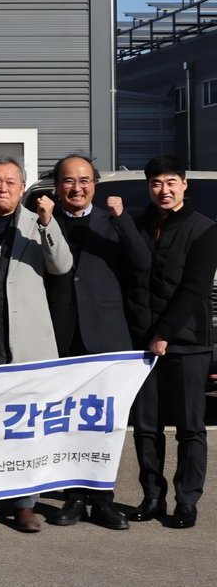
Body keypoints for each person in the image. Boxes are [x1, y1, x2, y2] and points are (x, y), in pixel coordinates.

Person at [0, 156, 72, 533]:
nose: (2, 188)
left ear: (22, 188)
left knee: (26, 430)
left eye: (10, 182)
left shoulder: (38, 223)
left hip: (27, 345)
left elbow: (62, 265)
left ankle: (25, 504)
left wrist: (47, 223)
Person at [44, 154, 149, 530]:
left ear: (95, 185)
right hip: (60, 335)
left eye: (84, 180)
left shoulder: (113, 220)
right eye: (69, 181)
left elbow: (142, 263)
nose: (77, 188)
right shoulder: (44, 221)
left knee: (105, 422)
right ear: (57, 186)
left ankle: (102, 498)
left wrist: (122, 219)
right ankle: (73, 496)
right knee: (66, 421)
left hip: (106, 336)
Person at [128, 155, 216, 529]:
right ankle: (152, 497)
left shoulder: (205, 229)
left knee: (189, 426)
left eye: (170, 182)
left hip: (187, 342)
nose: (163, 190)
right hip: (141, 343)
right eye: (156, 183)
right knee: (146, 426)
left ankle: (186, 501)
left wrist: (163, 334)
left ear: (183, 184)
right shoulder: (138, 225)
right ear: (149, 187)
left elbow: (194, 289)